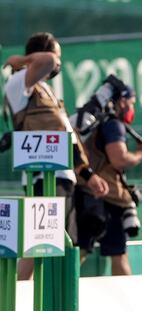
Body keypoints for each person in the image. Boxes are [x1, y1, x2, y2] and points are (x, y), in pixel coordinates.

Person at [3, 32, 108, 280]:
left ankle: (32, 296)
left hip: (61, 176)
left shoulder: (44, 89)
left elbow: (66, 138)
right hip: (42, 177)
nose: (58, 64)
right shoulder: (20, 83)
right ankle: (20, 297)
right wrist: (22, 59)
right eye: (58, 56)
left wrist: (87, 174)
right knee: (42, 243)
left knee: (55, 242)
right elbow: (48, 60)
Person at [75, 84, 142, 275]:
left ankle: (58, 293)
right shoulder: (113, 125)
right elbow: (119, 159)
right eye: (131, 103)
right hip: (107, 198)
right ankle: (128, 301)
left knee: (79, 252)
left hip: (86, 193)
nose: (131, 108)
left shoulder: (96, 123)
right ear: (121, 101)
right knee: (118, 255)